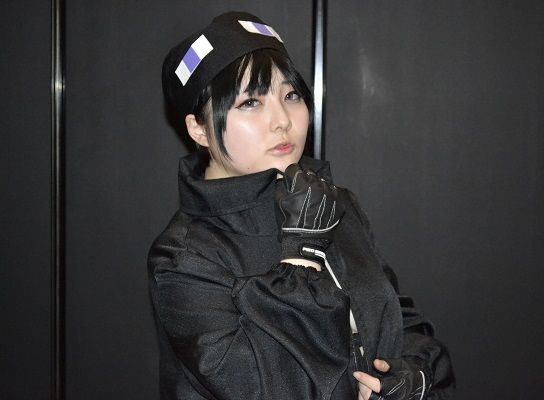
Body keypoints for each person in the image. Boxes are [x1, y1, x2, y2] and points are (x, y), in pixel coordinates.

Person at [148, 11, 455, 400]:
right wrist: (300, 257)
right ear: (199, 129)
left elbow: (397, 317)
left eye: (291, 96)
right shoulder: (185, 256)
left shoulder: (331, 203)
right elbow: (259, 385)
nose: (282, 120)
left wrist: (413, 374)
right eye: (250, 102)